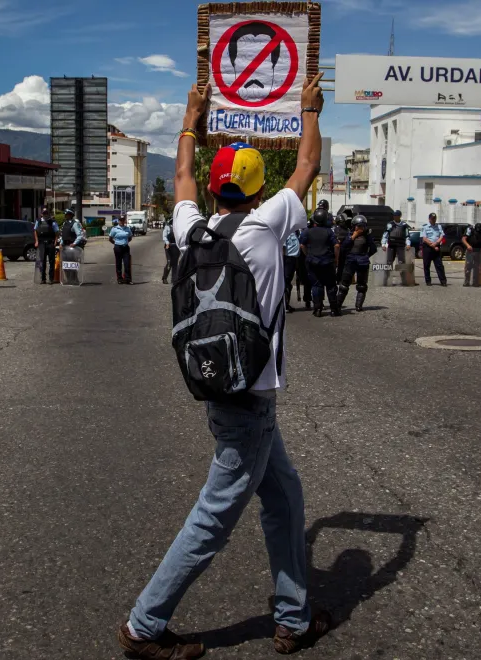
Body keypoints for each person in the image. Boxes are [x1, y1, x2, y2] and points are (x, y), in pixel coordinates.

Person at [118, 74, 331, 660]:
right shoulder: (266, 225)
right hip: (250, 398)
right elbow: (307, 165)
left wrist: (191, 118)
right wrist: (310, 109)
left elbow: (182, 177)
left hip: (219, 383)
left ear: (214, 189)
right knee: (214, 517)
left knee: (284, 497)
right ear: (258, 190)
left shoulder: (191, 228)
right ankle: (144, 625)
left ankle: (293, 617)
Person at [300, 207, 340, 317]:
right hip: (327, 261)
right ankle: (334, 310)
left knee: (316, 285)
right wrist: (336, 259)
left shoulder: (307, 231)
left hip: (312, 261)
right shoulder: (329, 231)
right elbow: (337, 245)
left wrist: (307, 254)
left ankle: (317, 309)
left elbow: (302, 245)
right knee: (331, 286)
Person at [337, 214, 378, 311]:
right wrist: (353, 236)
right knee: (344, 285)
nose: (360, 228)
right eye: (358, 226)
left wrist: (366, 256)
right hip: (350, 261)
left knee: (362, 286)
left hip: (362, 261)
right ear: (353, 226)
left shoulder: (367, 236)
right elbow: (343, 247)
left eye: (362, 226)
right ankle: (337, 305)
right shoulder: (350, 234)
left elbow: (373, 249)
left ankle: (359, 306)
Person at [32, 206, 59, 284]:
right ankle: (43, 278)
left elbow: (57, 232)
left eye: (46, 213)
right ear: (41, 214)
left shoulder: (52, 222)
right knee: (42, 261)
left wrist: (55, 242)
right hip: (41, 243)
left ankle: (51, 278)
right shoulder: (38, 221)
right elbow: (35, 231)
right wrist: (36, 241)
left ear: (48, 213)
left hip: (50, 243)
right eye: (44, 213)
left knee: (51, 261)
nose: (45, 214)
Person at [420, 212, 447, 287]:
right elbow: (424, 238)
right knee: (426, 265)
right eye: (432, 219)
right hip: (428, 247)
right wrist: (433, 245)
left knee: (439, 265)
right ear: (429, 219)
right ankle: (428, 281)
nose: (433, 220)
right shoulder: (425, 227)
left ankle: (443, 281)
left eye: (435, 218)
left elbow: (441, 236)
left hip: (437, 247)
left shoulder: (439, 226)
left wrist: (437, 243)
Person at [381, 209, 410, 277]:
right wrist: (383, 244)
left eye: (397, 216)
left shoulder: (404, 225)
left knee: (401, 262)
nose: (395, 217)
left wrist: (408, 244)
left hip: (400, 245)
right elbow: (385, 235)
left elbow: (407, 236)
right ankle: (386, 278)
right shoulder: (390, 224)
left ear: (400, 216)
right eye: (394, 216)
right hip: (391, 245)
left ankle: (403, 278)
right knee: (389, 262)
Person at [109, 213, 135, 284]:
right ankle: (119, 278)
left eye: (123, 220)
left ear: (125, 220)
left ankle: (127, 279)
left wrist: (125, 242)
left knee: (127, 263)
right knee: (118, 263)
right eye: (120, 220)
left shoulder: (127, 229)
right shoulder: (114, 229)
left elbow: (130, 237)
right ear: (118, 220)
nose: (122, 221)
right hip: (118, 247)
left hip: (125, 247)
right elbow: (110, 238)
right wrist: (116, 243)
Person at [462, 222, 481, 287]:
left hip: (480, 251)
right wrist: (468, 245)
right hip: (471, 250)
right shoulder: (470, 229)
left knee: (477, 267)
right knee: (468, 266)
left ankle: (475, 282)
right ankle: (466, 282)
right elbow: (463, 239)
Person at [282, 229, 301, 312]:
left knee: (288, 281)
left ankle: (286, 304)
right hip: (287, 259)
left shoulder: (294, 232)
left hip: (293, 259)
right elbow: (282, 247)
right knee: (286, 281)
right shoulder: (284, 232)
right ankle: (285, 305)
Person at [162, 218, 180, 285]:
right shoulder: (167, 227)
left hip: (176, 247)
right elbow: (164, 236)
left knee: (175, 263)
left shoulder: (179, 228)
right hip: (168, 246)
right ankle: (164, 278)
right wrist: (167, 243)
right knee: (169, 262)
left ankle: (174, 279)